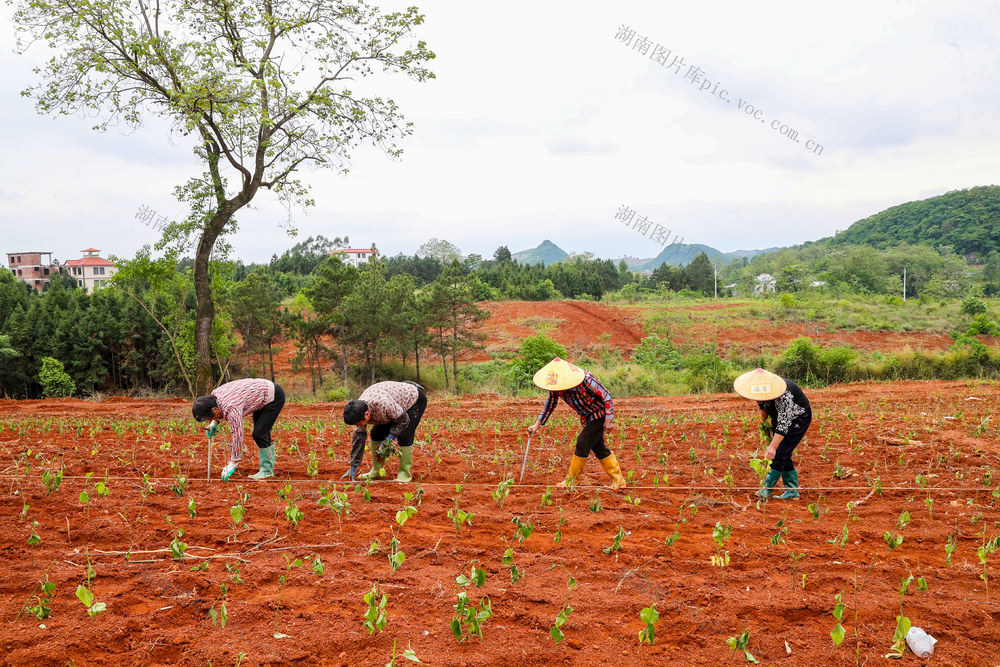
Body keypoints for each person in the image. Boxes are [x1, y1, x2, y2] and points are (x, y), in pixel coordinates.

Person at [527, 357, 626, 490]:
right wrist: (536, 425)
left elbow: (606, 396)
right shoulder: (557, 386)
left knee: (582, 443)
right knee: (598, 448)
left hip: (599, 414)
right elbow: (550, 404)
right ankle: (618, 481)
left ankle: (572, 481)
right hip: (587, 417)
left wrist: (609, 420)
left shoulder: (586, 380)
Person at [733, 368, 812, 500]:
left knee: (780, 452)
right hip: (778, 416)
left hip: (798, 418)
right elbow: (763, 406)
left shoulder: (784, 395)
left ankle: (767, 489)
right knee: (783, 453)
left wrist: (773, 446)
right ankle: (792, 492)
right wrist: (764, 423)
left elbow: (784, 423)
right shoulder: (760, 390)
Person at [192, 378, 286, 481]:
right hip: (259, 395)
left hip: (273, 396)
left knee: (260, 434)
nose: (210, 420)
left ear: (214, 409)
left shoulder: (232, 407)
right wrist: (214, 422)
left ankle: (267, 471)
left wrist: (233, 463)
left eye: (210, 418)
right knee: (260, 432)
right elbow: (220, 411)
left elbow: (237, 434)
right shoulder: (213, 397)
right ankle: (266, 468)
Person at [342, 380, 427, 483]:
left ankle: (404, 474)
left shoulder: (383, 405)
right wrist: (353, 467)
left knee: (405, 434)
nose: (358, 426)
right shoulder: (359, 410)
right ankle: (376, 471)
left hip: (413, 400)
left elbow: (404, 421)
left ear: (367, 415)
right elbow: (359, 440)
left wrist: (389, 440)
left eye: (359, 423)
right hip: (393, 404)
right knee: (376, 433)